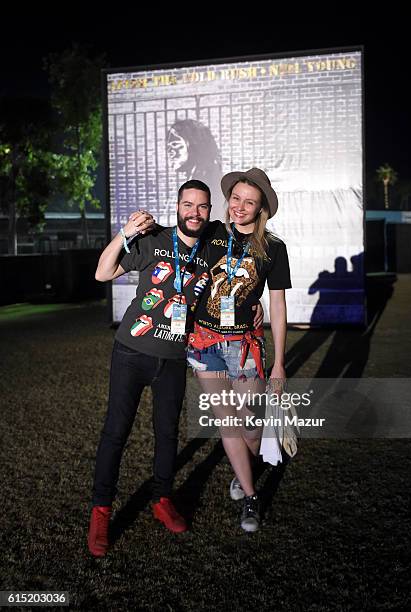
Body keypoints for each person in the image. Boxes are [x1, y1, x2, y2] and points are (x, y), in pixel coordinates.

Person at [87, 180, 213, 557]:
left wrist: (252, 305)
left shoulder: (212, 248)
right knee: (115, 432)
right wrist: (124, 233)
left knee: (167, 434)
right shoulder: (153, 239)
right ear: (177, 207)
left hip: (173, 359)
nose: (194, 212)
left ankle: (161, 499)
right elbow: (102, 273)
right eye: (188, 205)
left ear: (209, 210)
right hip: (131, 352)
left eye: (202, 206)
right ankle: (101, 511)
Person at [187, 168, 291, 532]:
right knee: (228, 422)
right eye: (236, 198)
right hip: (206, 343)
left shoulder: (273, 248)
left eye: (250, 201)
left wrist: (279, 362)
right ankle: (250, 494)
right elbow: (178, 242)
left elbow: (277, 306)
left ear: (261, 207)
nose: (240, 207)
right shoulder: (212, 232)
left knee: (250, 423)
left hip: (246, 346)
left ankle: (244, 468)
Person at [167, 119, 223, 220]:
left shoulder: (210, 181)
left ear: (193, 145)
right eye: (169, 146)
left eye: (175, 144)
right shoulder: (195, 177)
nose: (170, 151)